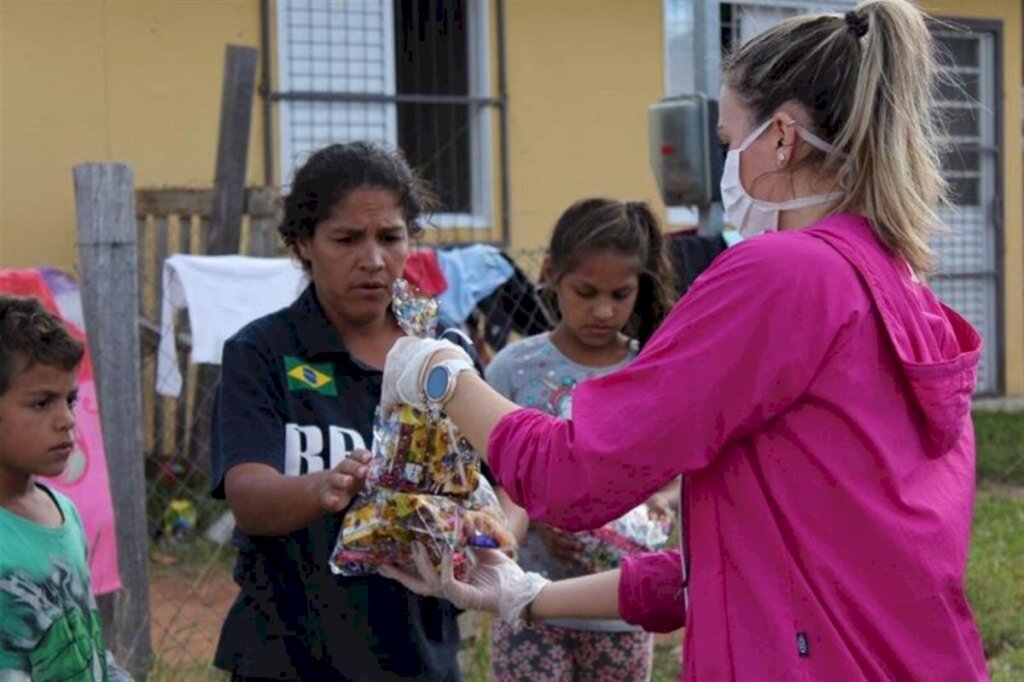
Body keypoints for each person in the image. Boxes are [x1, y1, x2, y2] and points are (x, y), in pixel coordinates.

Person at [376, 1, 991, 680]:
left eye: (730, 141)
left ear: (782, 138)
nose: (726, 164)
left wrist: (442, 373)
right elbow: (742, 563)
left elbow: (576, 471)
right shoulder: (898, 286)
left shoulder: (785, 276)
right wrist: (528, 596)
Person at [209, 141, 466, 680]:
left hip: (418, 656)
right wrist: (322, 489)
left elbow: (500, 482)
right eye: (347, 239)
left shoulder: (442, 354)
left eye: (389, 237)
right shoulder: (263, 352)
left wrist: (495, 539)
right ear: (304, 243)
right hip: (288, 655)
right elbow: (248, 495)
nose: (373, 260)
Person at [484, 197, 676, 681]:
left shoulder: (654, 369)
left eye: (620, 294)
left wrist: (660, 503)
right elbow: (497, 481)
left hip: (622, 614)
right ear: (551, 273)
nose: (603, 311)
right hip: (529, 609)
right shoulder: (513, 370)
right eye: (585, 292)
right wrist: (525, 523)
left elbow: (679, 473)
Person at [0, 294, 132, 681]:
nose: (67, 420)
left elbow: (86, 648)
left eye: (70, 400)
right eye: (42, 403)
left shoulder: (63, 511)